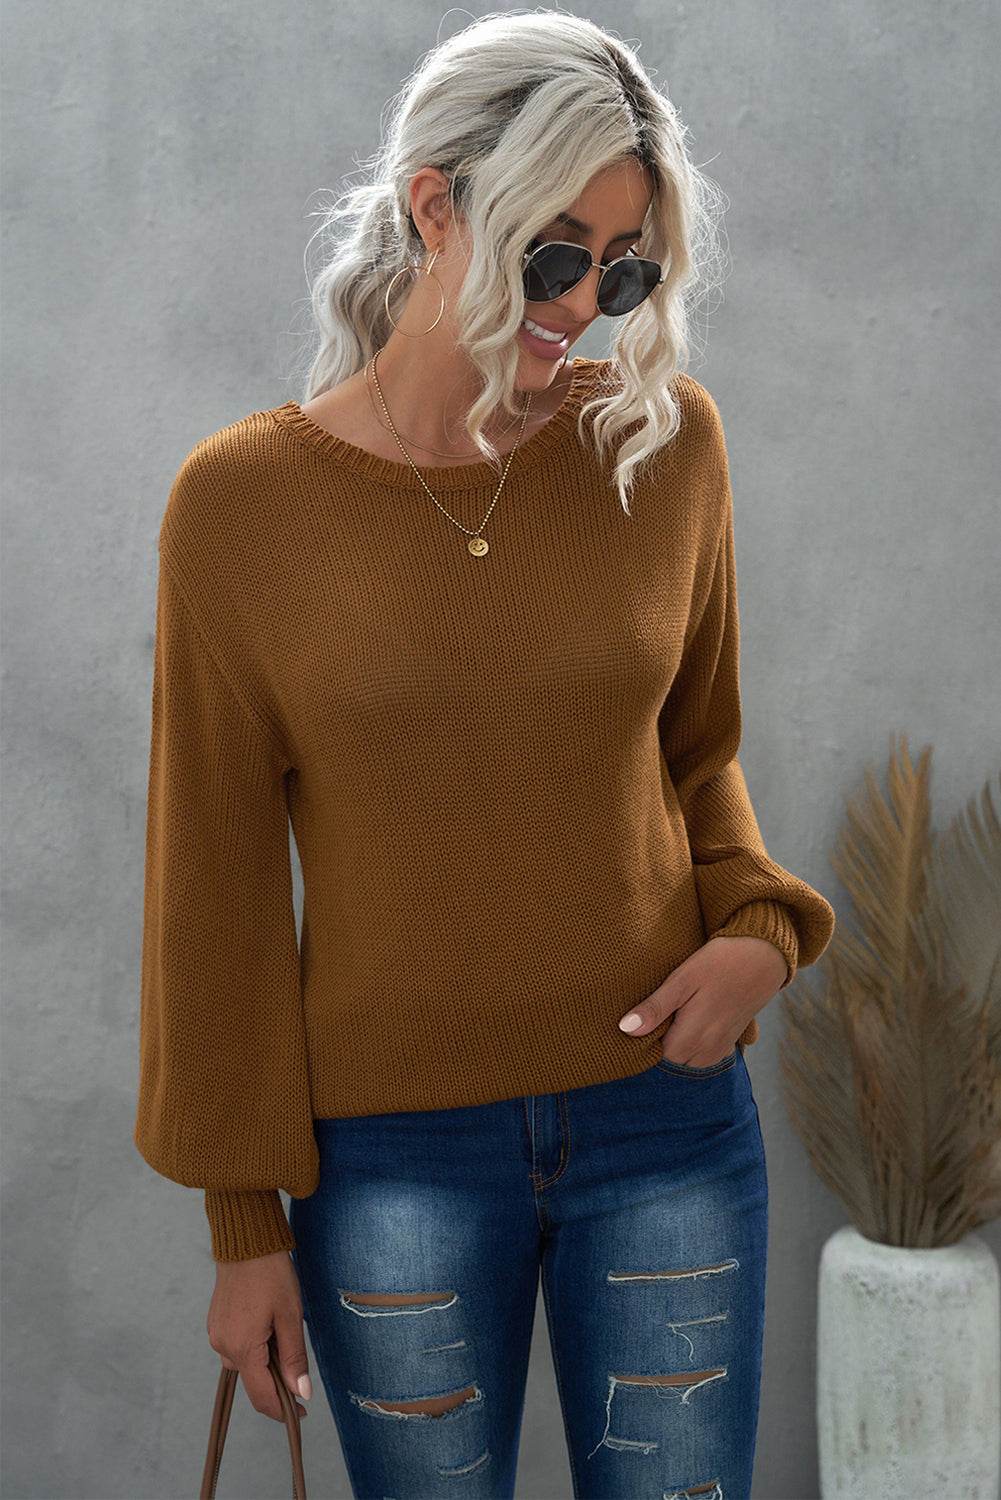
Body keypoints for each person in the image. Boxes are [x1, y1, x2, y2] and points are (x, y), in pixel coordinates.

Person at [134, 13, 835, 1498]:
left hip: (665, 1127)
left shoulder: (661, 451)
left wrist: (761, 934)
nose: (583, 305)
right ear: (434, 206)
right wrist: (245, 1229)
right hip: (391, 1159)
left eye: (623, 270)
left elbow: (697, 754)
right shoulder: (241, 507)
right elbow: (215, 893)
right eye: (553, 253)